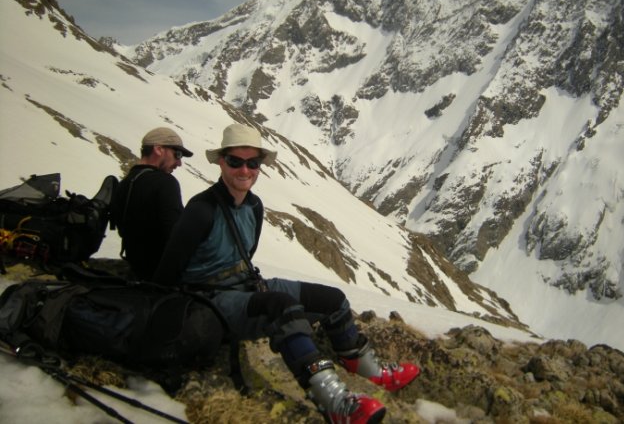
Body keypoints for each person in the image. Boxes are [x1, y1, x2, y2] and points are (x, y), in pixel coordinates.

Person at [153, 123, 419, 423]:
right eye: (235, 162)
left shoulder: (253, 206)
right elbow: (167, 274)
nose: (244, 170)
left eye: (252, 163)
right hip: (209, 300)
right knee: (282, 308)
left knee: (332, 299)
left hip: (243, 287)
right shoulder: (201, 210)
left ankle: (368, 369)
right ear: (221, 163)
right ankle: (335, 403)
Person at [111, 127, 193, 280]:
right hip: (162, 278)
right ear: (159, 149)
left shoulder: (126, 182)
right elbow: (176, 237)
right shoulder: (165, 183)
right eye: (177, 154)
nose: (179, 163)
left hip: (136, 271)